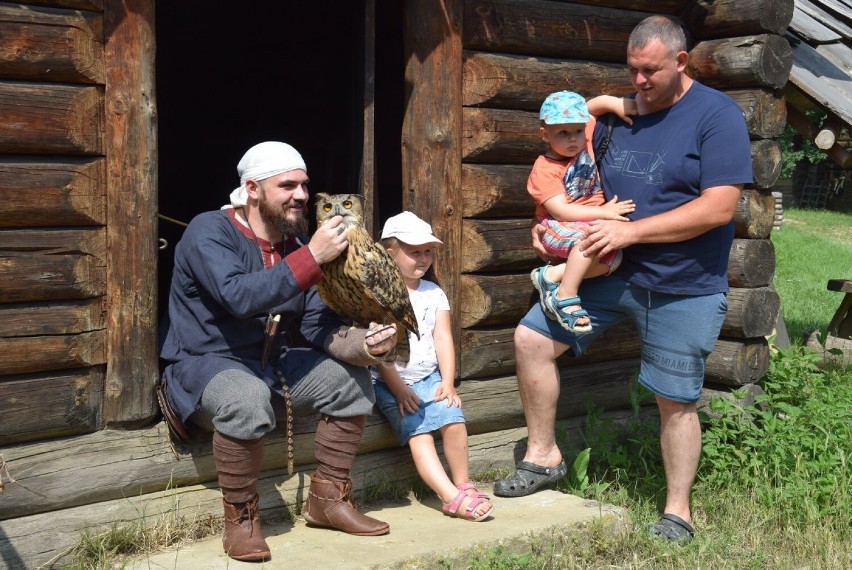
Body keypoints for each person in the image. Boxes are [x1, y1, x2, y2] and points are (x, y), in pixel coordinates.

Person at [494, 15, 753, 544]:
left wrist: (631, 234)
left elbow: (719, 209)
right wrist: (553, 230)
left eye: (650, 71)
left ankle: (677, 511)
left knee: (674, 398)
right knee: (531, 340)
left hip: (683, 280)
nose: (638, 82)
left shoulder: (716, 116)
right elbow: (569, 152)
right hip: (606, 266)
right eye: (631, 70)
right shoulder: (620, 115)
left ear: (681, 62)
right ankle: (543, 458)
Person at [159, 141, 397, 562]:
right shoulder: (208, 231)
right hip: (204, 365)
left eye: (304, 185)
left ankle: (328, 500)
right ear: (252, 189)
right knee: (245, 399)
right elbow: (237, 296)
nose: (302, 195)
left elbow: (314, 322)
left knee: (349, 380)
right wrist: (312, 258)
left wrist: (366, 344)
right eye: (288, 185)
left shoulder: (293, 244)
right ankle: (242, 518)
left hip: (270, 363)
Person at [372, 212, 494, 521]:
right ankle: (449, 496)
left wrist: (448, 382)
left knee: (452, 418)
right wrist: (399, 390)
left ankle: (463, 483)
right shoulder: (378, 297)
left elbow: (442, 338)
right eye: (415, 251)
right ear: (390, 253)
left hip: (429, 377)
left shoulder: (433, 292)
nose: (423, 258)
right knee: (420, 434)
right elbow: (380, 351)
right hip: (391, 382)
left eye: (428, 250)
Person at [528, 90, 637, 333]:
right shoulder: (544, 169)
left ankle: (552, 276)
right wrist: (604, 213)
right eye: (563, 133)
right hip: (556, 226)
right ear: (545, 135)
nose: (573, 139)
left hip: (582, 223)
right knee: (589, 243)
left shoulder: (582, 140)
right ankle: (566, 296)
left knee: (614, 258)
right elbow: (560, 212)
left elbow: (591, 108)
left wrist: (616, 103)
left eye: (577, 131)